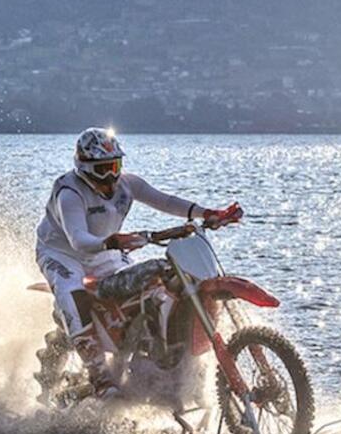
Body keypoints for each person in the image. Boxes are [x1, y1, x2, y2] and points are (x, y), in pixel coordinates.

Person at [35, 127, 238, 398]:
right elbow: (78, 239)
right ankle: (99, 376)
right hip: (62, 254)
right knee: (73, 296)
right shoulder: (69, 192)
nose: (111, 175)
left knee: (155, 279)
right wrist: (113, 241)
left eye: (115, 165)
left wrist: (207, 213)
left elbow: (165, 201)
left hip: (107, 251)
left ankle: (157, 351)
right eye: (103, 168)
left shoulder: (127, 185)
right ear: (85, 167)